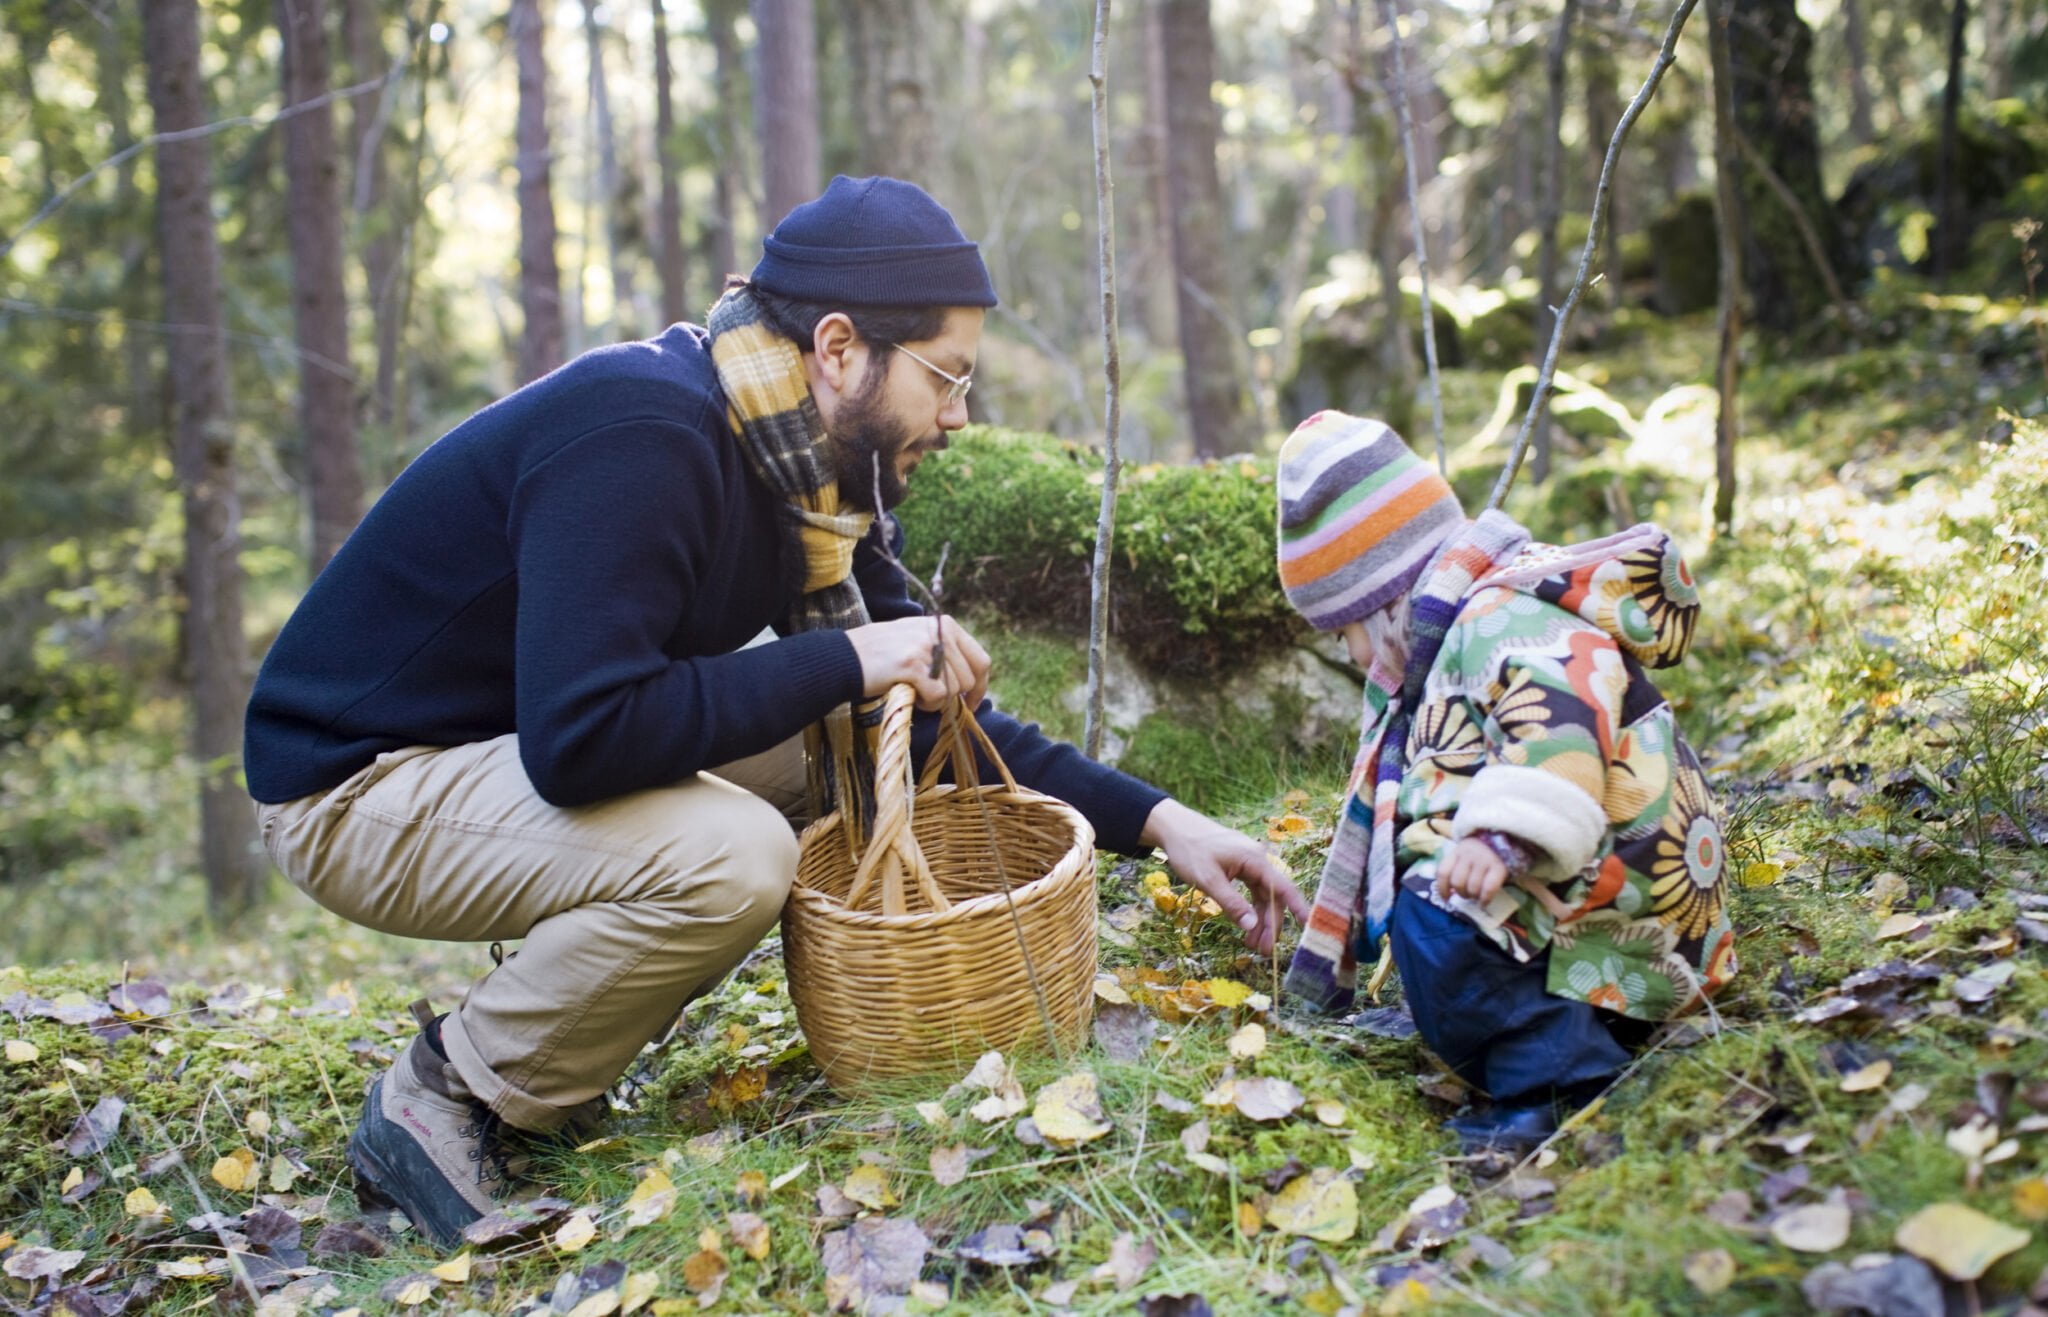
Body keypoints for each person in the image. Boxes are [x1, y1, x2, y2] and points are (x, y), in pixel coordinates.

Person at [244, 175, 1308, 1247]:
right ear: (839, 349)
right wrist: (849, 657)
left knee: (835, 731)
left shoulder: (813, 484)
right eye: (945, 376)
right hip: (354, 786)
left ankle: (553, 1046)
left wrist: (1165, 823)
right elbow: (583, 739)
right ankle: (445, 1094)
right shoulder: (641, 431)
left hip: (500, 747)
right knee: (736, 854)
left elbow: (928, 721)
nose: (957, 414)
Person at [1273, 411, 1735, 1154]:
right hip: (1595, 886)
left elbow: (1560, 724)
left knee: (1437, 915)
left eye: (1344, 630)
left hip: (1630, 885)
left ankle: (1559, 1082)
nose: (1351, 653)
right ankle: (1570, 1024)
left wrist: (1500, 834)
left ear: (1384, 596)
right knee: (1432, 906)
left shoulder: (1498, 616)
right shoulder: (1456, 629)